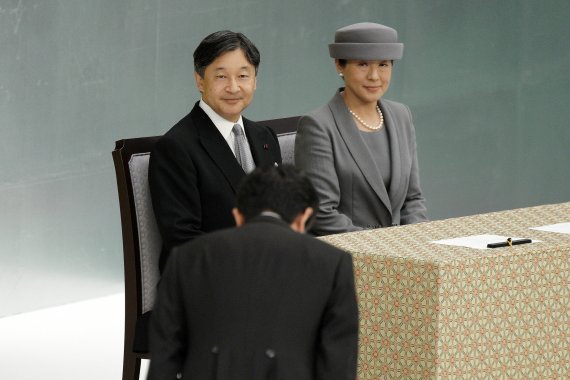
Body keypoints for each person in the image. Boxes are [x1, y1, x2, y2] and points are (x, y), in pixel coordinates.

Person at [147, 165, 359, 380]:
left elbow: (164, 357)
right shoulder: (333, 263)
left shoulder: (186, 257)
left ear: (238, 216)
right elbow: (337, 366)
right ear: (303, 218)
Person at [149, 31, 282, 270]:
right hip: (207, 283)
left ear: (255, 81)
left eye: (243, 76)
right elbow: (183, 241)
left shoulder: (265, 137)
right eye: (221, 76)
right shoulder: (175, 147)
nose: (233, 87)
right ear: (200, 81)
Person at [295, 22, 427, 235]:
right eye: (363, 65)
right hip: (349, 257)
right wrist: (383, 249)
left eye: (383, 64)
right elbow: (321, 214)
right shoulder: (318, 126)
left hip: (403, 257)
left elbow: (413, 200)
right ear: (339, 65)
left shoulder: (401, 115)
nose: (374, 76)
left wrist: (414, 243)